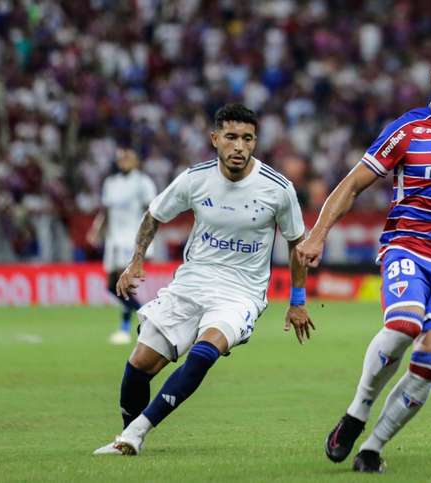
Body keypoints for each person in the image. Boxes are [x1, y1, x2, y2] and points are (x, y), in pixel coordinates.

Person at [297, 41, 431, 473]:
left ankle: (373, 447)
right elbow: (355, 183)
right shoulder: (409, 129)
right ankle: (357, 412)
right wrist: (318, 234)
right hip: (409, 248)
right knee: (404, 324)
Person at [94, 104, 314, 455]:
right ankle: (126, 438)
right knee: (138, 367)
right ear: (215, 139)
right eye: (231, 137)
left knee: (203, 353)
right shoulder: (195, 179)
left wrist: (298, 300)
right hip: (191, 284)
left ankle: (137, 432)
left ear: (255, 142)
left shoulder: (278, 188)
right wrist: (136, 262)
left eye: (247, 138)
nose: (239, 146)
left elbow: (296, 242)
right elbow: (154, 213)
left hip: (241, 293)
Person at [87, 148, 157, 344]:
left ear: (136, 161)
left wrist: (147, 243)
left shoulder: (143, 182)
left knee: (121, 283)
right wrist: (96, 230)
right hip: (113, 240)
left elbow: (152, 213)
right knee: (112, 286)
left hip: (132, 239)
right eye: (121, 157)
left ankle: (128, 327)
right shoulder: (111, 183)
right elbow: (106, 211)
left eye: (128, 157)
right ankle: (144, 318)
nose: (124, 160)